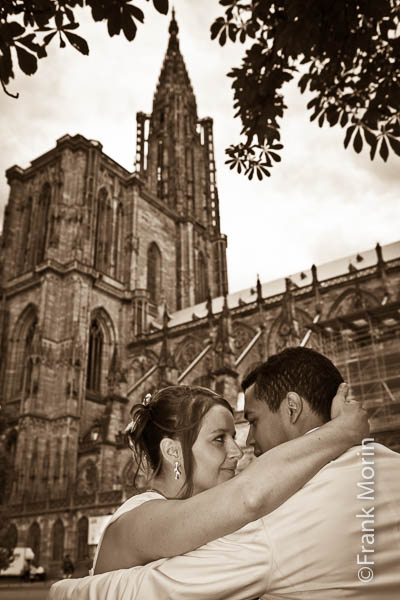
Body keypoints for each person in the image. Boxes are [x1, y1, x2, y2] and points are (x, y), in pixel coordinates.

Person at [50, 378, 369, 600]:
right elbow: (249, 497)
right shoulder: (139, 517)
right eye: (220, 439)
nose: (237, 450)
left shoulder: (193, 513)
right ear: (173, 451)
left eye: (234, 436)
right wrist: (341, 430)